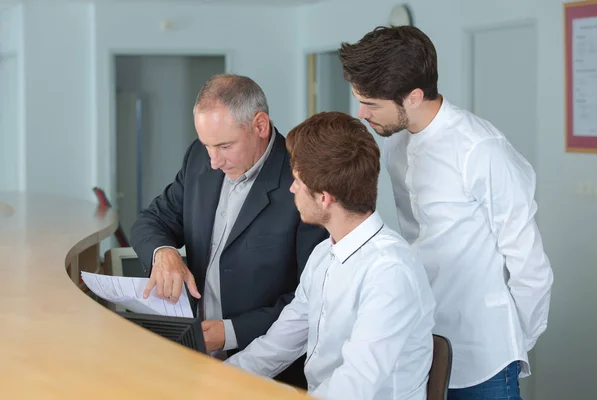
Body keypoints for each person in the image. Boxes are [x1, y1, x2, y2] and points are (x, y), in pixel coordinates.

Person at [339, 25, 554, 399]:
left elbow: (531, 267)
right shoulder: (395, 142)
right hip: (422, 345)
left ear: (413, 96)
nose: (361, 114)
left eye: (371, 103)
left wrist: (513, 340)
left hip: (484, 359)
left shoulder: (482, 150)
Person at [130, 74, 327, 388]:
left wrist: (231, 331)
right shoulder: (199, 158)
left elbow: (311, 297)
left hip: (270, 370)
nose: (213, 161)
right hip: (194, 356)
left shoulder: (302, 181)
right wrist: (163, 253)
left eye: (224, 146)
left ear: (260, 126)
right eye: (208, 145)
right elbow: (151, 221)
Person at [225, 112, 436, 400]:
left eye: (298, 180)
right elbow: (279, 343)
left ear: (324, 197)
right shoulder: (324, 254)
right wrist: (216, 379)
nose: (292, 188)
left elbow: (355, 385)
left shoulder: (389, 271)